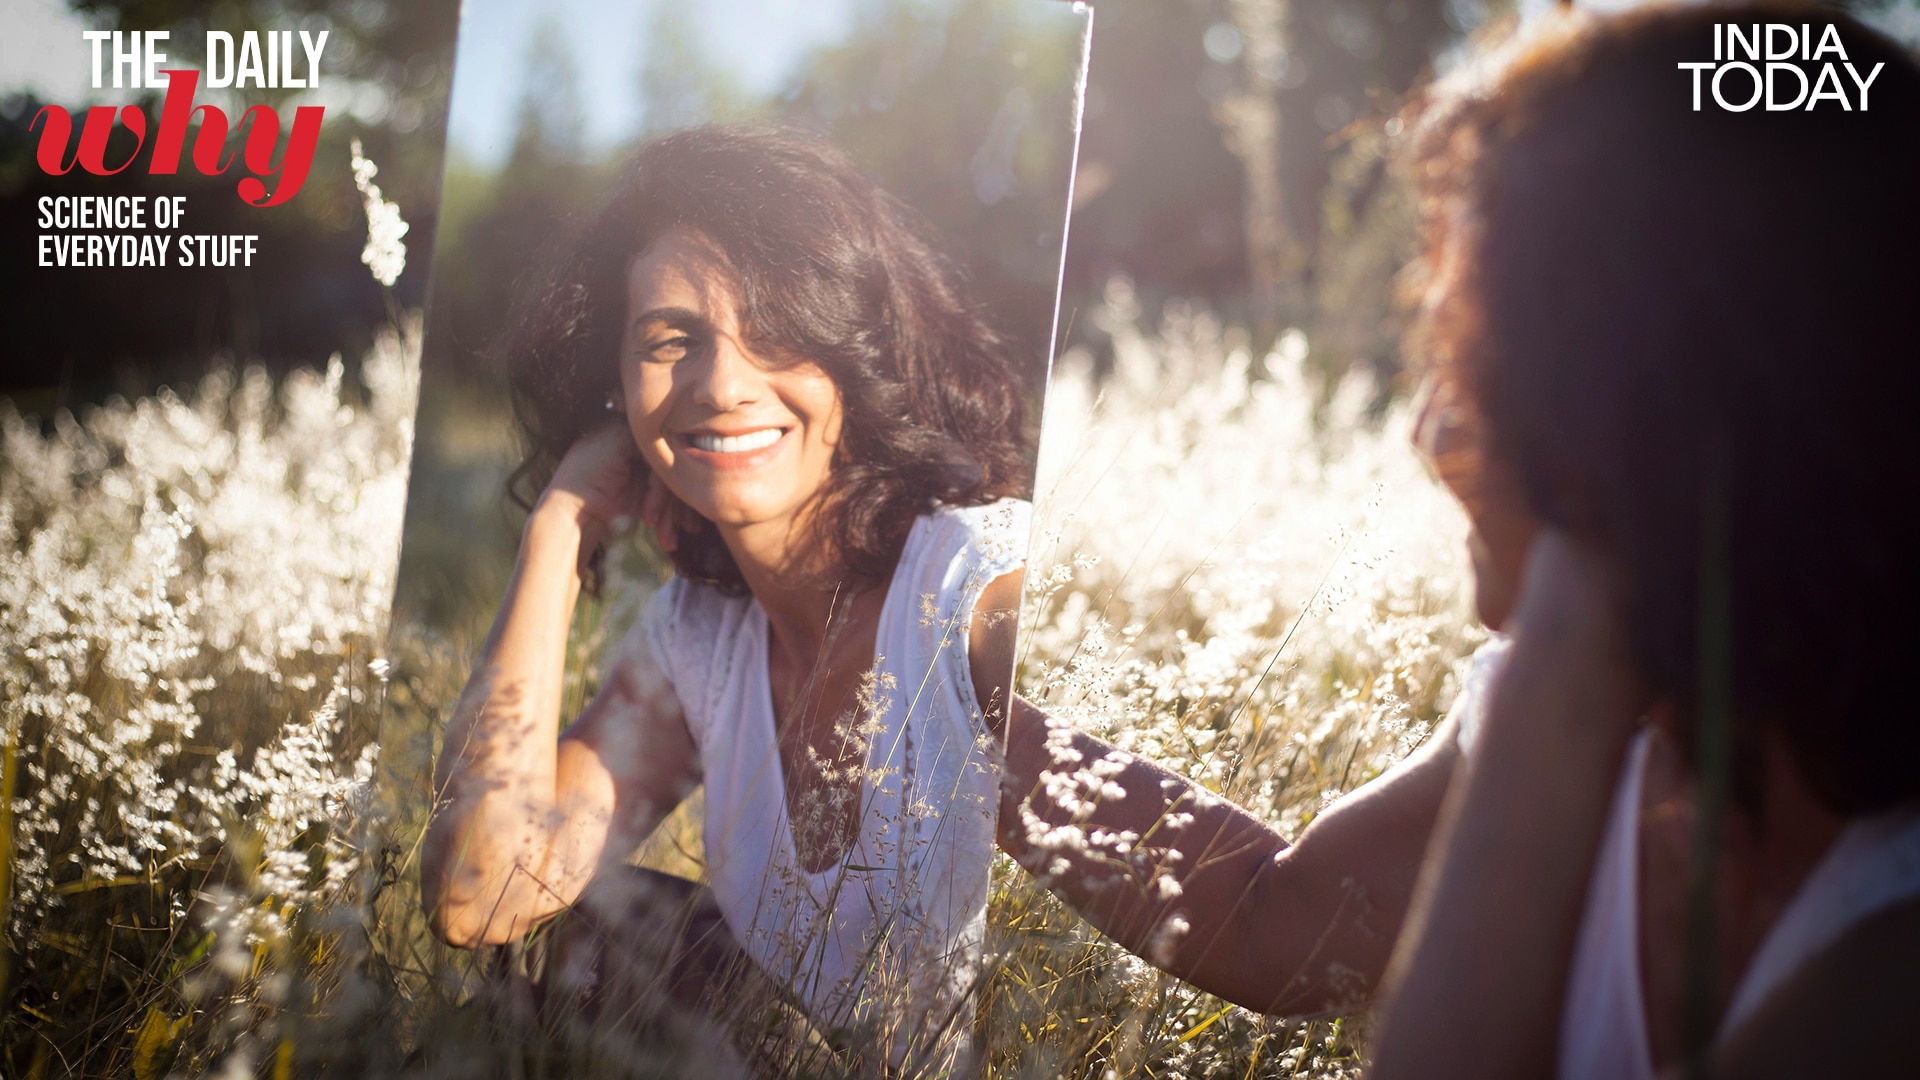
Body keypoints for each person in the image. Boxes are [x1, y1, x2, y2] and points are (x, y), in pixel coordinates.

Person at [996, 4, 1920, 1076]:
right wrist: (975, 710)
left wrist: (1563, 654)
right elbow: (1269, 919)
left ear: (1642, 407)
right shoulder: (1616, 719)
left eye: (1476, 363)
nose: (1430, 432)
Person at [421, 125, 1034, 1070]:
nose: (721, 384)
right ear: (616, 386)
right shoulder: (699, 641)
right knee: (583, 939)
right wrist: (562, 523)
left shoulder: (978, 584)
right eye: (671, 340)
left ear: (858, 352)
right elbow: (481, 894)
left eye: (778, 327)